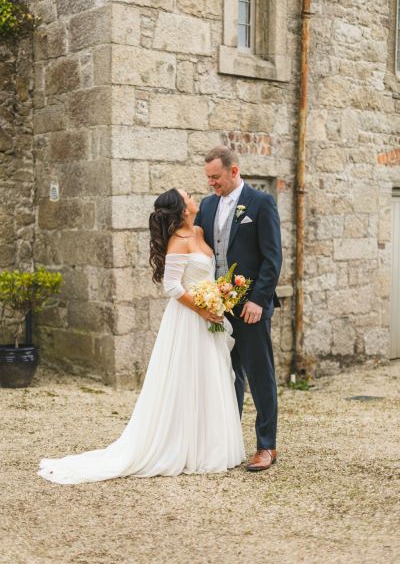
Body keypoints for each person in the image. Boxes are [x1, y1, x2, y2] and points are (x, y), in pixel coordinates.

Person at [37, 188, 245, 484]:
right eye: (187, 195)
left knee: (210, 377)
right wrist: (203, 309)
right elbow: (172, 287)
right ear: (183, 208)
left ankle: (210, 445)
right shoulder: (178, 242)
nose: (192, 196)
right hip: (189, 319)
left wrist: (219, 298)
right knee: (187, 379)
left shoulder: (199, 231)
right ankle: (180, 447)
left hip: (208, 317)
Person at [195, 146, 282, 472]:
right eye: (208, 178)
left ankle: (266, 447)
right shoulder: (207, 204)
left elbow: (273, 259)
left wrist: (259, 300)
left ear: (234, 171)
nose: (211, 183)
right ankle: (228, 443)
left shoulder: (261, 203)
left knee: (260, 375)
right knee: (226, 374)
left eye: (216, 177)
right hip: (218, 306)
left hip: (250, 307)